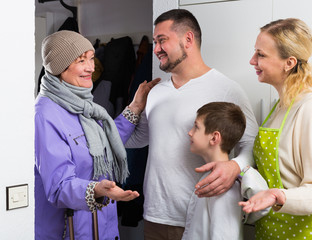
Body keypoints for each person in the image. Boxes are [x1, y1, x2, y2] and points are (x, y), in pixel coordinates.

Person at [125, 9, 259, 239]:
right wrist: (133, 109)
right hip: (154, 216)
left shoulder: (226, 89)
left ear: (188, 39)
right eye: (155, 42)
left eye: (162, 40)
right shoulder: (155, 91)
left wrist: (235, 167)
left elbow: (252, 143)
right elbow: (138, 138)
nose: (155, 49)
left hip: (199, 218)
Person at [35, 30, 159, 239]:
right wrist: (97, 189)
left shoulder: (81, 104)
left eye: (91, 58)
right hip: (72, 233)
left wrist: (135, 108)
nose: (91, 68)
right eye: (81, 60)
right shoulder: (45, 114)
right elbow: (59, 186)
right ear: (58, 67)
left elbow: (102, 143)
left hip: (101, 228)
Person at [239, 18, 312, 239]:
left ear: (289, 63)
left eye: (261, 54)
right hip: (270, 230)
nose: (252, 60)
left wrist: (276, 196)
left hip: (305, 233)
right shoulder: (279, 107)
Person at [182, 102, 269, 240]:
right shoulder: (211, 177)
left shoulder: (223, 188)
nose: (190, 132)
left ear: (214, 137)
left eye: (196, 127)